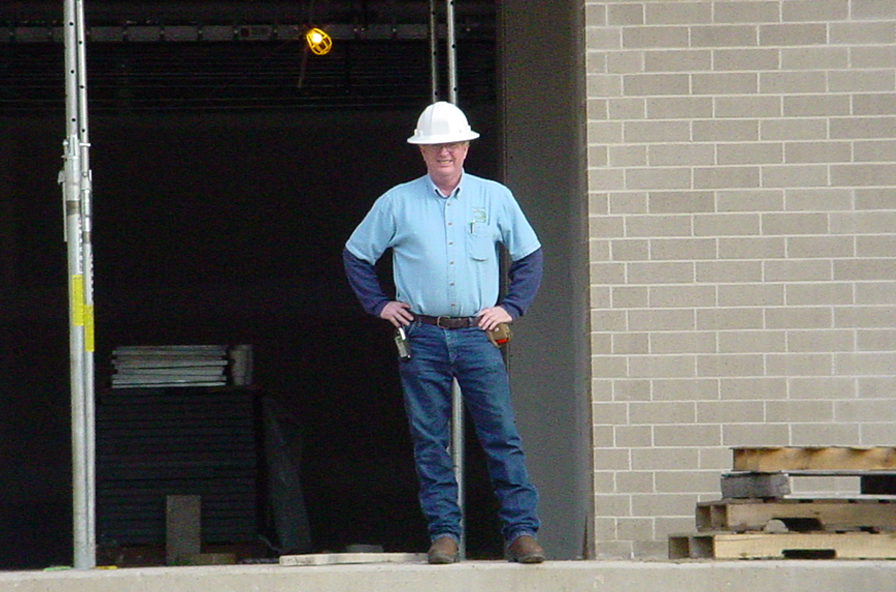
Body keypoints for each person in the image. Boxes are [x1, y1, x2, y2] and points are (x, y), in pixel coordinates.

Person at [342, 101, 545, 564]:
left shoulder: (495, 198)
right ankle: (444, 536)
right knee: (430, 439)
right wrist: (379, 304)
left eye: (452, 144)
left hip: (477, 331)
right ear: (422, 151)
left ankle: (520, 533)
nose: (445, 153)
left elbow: (530, 256)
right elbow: (356, 255)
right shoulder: (396, 202)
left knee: (501, 434)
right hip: (423, 335)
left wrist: (510, 307)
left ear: (467, 147)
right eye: (435, 146)